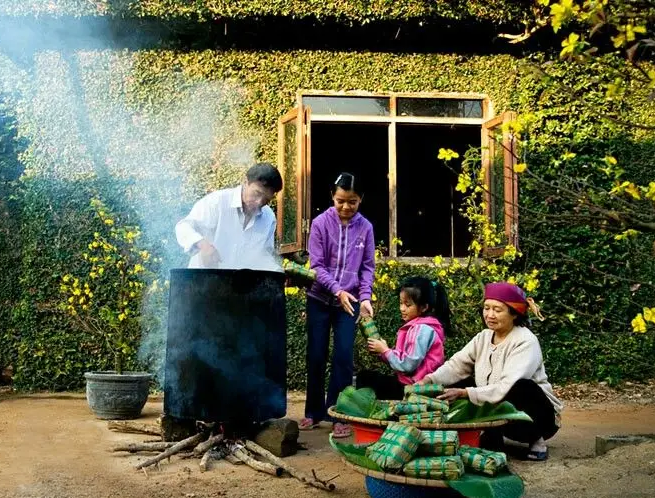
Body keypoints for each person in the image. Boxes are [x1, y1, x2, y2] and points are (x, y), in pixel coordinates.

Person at [419, 281, 562, 461]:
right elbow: (457, 365)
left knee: (521, 387)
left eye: (497, 310)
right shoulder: (484, 337)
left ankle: (536, 439)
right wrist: (429, 380)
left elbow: (506, 386)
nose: (490, 315)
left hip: (536, 416)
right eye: (487, 308)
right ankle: (488, 434)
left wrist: (465, 393)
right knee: (456, 382)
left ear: (514, 313)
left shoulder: (525, 341)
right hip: (496, 407)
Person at [299, 173, 376, 438]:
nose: (346, 207)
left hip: (350, 303)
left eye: (352, 202)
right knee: (316, 355)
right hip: (320, 299)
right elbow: (317, 266)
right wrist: (337, 289)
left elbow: (367, 267)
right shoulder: (321, 223)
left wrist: (364, 297)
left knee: (343, 357)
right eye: (341, 201)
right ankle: (313, 412)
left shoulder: (365, 227)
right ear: (333, 196)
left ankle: (338, 415)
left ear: (360, 199)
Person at [175, 163, 283, 269]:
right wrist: (203, 245)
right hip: (202, 281)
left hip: (239, 284)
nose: (259, 202)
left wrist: (277, 271)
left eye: (266, 199)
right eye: (257, 193)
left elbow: (264, 255)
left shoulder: (268, 217)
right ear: (245, 182)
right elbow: (183, 227)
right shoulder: (217, 201)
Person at [359, 277, 451, 400]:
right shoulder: (419, 325)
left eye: (408, 305)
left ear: (424, 307)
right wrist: (382, 352)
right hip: (408, 383)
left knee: (365, 378)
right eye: (401, 303)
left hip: (415, 389)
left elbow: (408, 365)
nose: (402, 308)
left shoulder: (422, 329)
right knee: (368, 377)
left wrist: (385, 351)